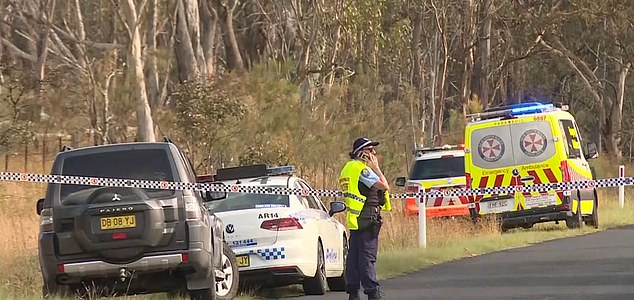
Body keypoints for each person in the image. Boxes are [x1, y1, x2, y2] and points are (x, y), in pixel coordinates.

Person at [338, 137, 391, 300]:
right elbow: (384, 186)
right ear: (361, 153)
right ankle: (372, 293)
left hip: (356, 219)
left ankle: (353, 292)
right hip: (368, 219)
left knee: (354, 257)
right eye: (370, 150)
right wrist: (377, 168)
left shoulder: (348, 168)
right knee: (367, 257)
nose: (374, 153)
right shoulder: (362, 170)